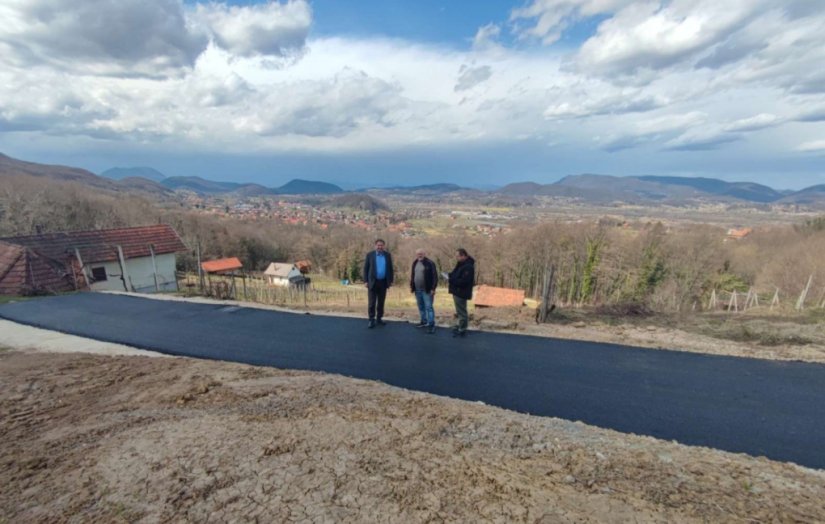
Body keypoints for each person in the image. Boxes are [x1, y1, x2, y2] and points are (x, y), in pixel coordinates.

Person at [363, 238, 394, 328]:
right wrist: (365, 281)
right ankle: (371, 319)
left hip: (383, 283)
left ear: (384, 246)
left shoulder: (387, 255)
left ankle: (379, 318)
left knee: (381, 302)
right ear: (375, 246)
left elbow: (390, 269)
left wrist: (391, 281)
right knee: (372, 303)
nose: (380, 247)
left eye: (381, 245)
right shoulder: (370, 255)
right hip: (372, 282)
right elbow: (365, 269)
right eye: (378, 245)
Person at [447, 248, 475, 337]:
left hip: (461, 292)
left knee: (462, 311)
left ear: (463, 256)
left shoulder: (468, 267)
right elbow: (455, 274)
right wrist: (449, 275)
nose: (456, 258)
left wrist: (451, 280)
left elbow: (464, 281)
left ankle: (462, 329)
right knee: (459, 311)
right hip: (457, 291)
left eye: (458, 256)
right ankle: (459, 325)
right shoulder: (460, 264)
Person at [409, 249, 438, 334]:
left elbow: (435, 277)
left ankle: (431, 325)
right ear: (416, 255)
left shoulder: (430, 263)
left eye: (421, 254)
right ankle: (424, 321)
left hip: (427, 290)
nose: (419, 255)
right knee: (421, 306)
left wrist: (433, 288)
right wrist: (411, 286)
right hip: (417, 290)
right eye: (418, 254)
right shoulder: (415, 263)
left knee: (429, 307)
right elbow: (412, 275)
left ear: (424, 254)